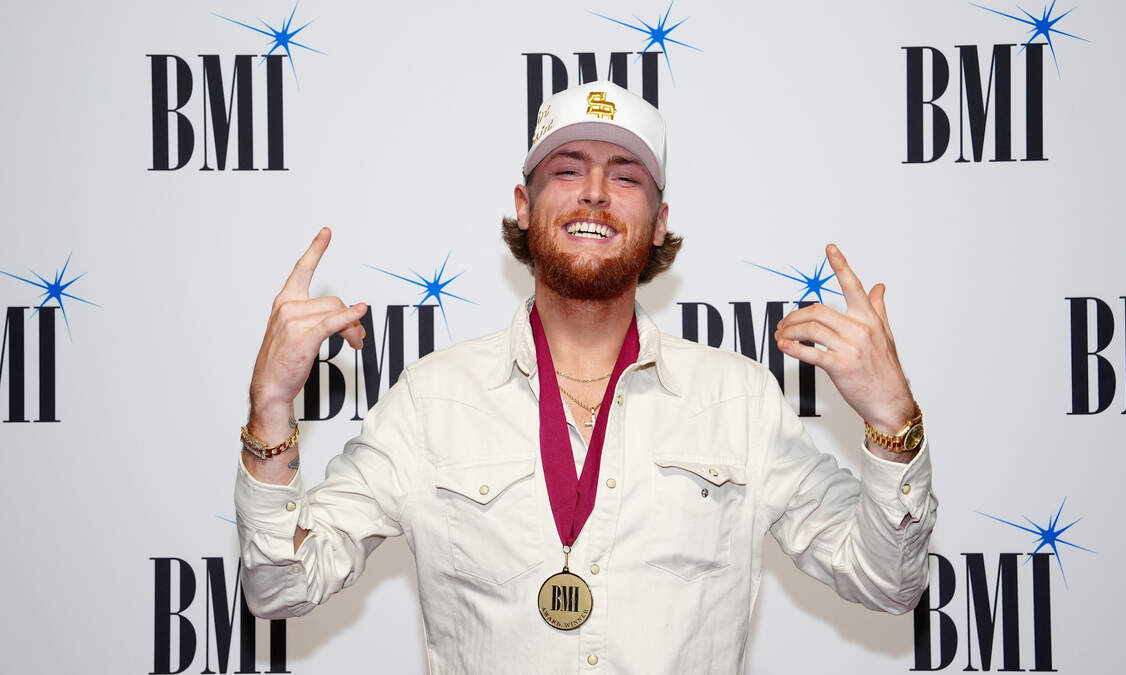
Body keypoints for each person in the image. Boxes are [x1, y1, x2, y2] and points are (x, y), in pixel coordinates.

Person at [235, 81, 936, 674]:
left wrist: (892, 422)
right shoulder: (431, 399)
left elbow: (888, 583)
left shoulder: (740, 400)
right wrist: (270, 405)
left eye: (626, 177)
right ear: (523, 204)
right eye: (568, 171)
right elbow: (280, 589)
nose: (596, 192)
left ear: (659, 222)